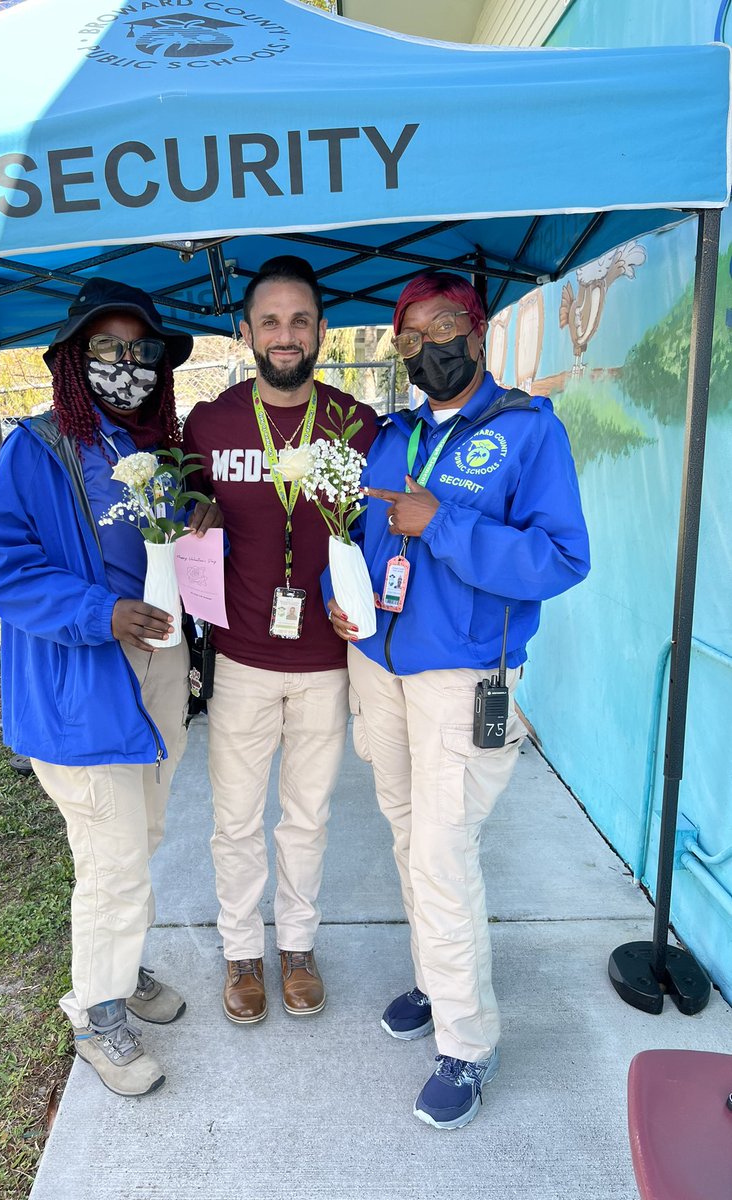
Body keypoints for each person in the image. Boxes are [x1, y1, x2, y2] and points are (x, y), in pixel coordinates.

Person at [329, 271, 589, 1128]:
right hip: (381, 667)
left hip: (464, 674)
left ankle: (467, 1043)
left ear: (474, 331)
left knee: (445, 851)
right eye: (407, 337)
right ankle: (437, 979)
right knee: (409, 837)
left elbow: (558, 560)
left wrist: (441, 522)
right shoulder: (393, 435)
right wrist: (350, 601)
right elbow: (373, 538)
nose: (424, 346)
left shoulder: (526, 432)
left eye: (441, 326)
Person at [0, 277, 221, 1097]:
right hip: (81, 686)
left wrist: (198, 523)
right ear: (74, 361)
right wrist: (97, 612)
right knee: (111, 860)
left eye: (142, 350)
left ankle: (118, 964)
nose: (128, 363)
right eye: (107, 348)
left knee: (139, 843)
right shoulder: (36, 450)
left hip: (157, 678)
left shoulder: (156, 447)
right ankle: (96, 1015)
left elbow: (160, 551)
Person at [183, 256, 376, 1024]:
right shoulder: (211, 422)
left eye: (301, 320)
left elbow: (379, 536)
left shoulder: (357, 425)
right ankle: (240, 951)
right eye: (270, 321)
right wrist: (197, 507)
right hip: (241, 659)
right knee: (234, 817)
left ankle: (296, 944)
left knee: (308, 814)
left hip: (327, 661)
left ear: (322, 330)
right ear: (245, 332)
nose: (286, 335)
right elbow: (184, 499)